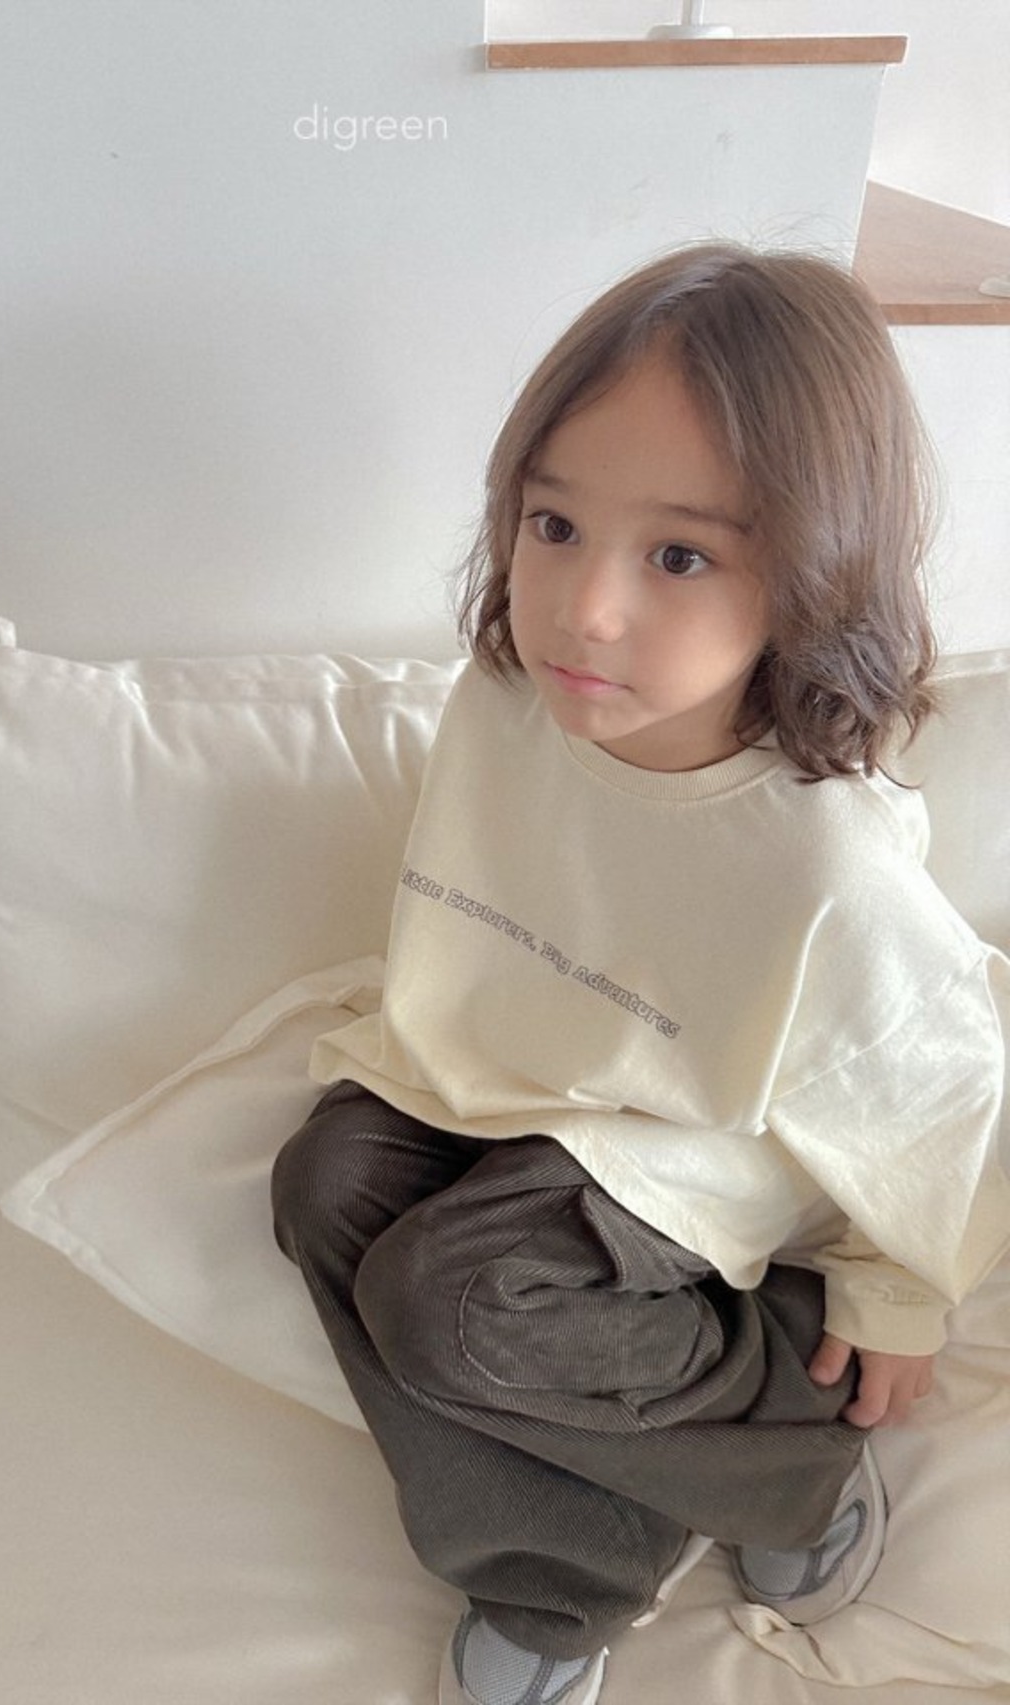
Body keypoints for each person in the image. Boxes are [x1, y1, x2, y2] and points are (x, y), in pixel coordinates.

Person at [270, 243, 1010, 1705]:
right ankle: (628, 1522)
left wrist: (896, 1295)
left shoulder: (821, 860)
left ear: (811, 572)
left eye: (679, 556)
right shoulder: (506, 703)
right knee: (321, 1181)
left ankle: (753, 1474)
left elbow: (941, 1080)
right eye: (553, 524)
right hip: (530, 1082)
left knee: (456, 1300)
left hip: (710, 1136)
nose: (584, 610)